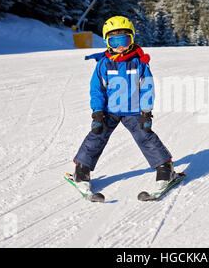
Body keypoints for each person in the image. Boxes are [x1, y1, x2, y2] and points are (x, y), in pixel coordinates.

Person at [73, 16, 175, 193]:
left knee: (145, 136)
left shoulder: (139, 63)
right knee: (97, 135)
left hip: (134, 111)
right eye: (114, 41)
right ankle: (82, 170)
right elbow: (97, 90)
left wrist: (146, 111)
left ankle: (165, 168)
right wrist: (97, 112)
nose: (120, 46)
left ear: (132, 39)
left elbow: (147, 88)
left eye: (125, 40)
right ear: (107, 41)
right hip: (109, 110)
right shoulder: (104, 64)